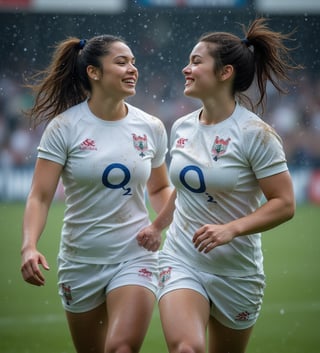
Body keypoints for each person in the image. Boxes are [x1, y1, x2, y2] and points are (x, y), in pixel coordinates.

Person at [137, 18, 300, 353]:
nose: (186, 68)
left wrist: (231, 229)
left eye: (196, 62)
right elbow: (184, 190)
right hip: (181, 258)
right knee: (187, 348)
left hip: (237, 272)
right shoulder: (181, 126)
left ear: (225, 73)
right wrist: (157, 226)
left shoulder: (257, 135)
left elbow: (284, 203)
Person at [20, 34, 171, 353]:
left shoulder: (151, 127)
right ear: (94, 72)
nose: (132, 69)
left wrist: (163, 223)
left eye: (133, 62)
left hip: (135, 256)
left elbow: (159, 188)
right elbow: (40, 196)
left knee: (121, 348)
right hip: (80, 260)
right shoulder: (64, 128)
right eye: (121, 62)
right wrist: (29, 247)